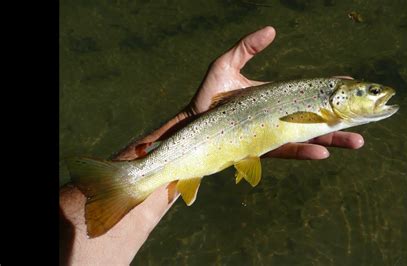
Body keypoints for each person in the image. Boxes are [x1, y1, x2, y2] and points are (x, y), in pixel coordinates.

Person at [59, 26, 364, 265]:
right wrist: (194, 117)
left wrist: (190, 116)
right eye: (370, 91)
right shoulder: (322, 104)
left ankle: (126, 182)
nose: (377, 95)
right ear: (337, 98)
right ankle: (129, 182)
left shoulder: (325, 107)